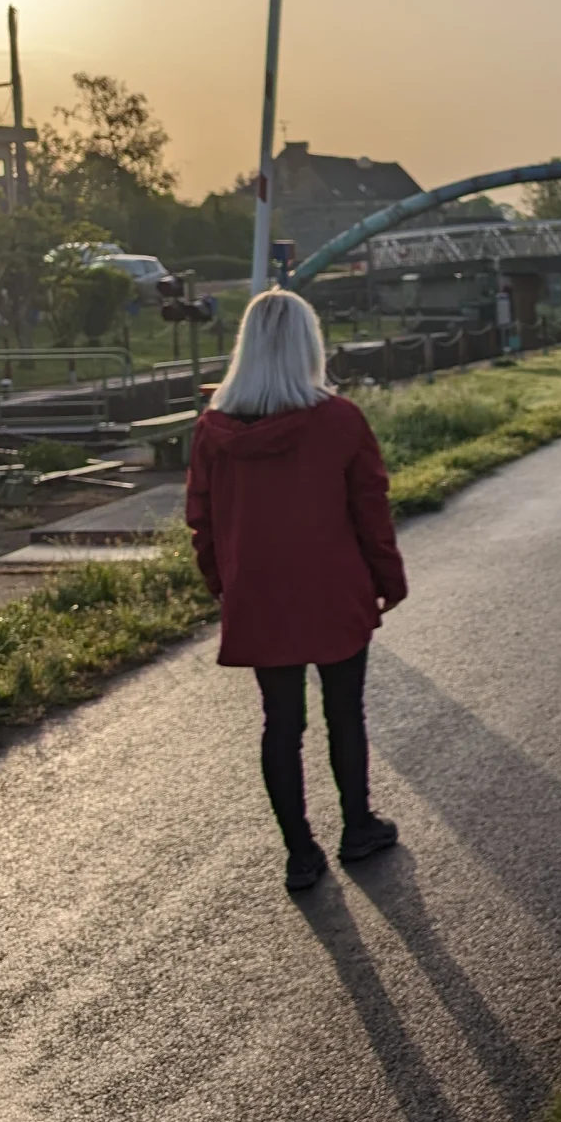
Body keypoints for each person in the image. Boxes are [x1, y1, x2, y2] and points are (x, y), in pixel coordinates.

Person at [185, 287, 407, 892]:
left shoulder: (214, 430)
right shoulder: (338, 420)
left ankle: (300, 853)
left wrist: (224, 584)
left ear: (247, 349)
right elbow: (370, 509)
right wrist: (388, 579)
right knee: (344, 714)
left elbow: (201, 518)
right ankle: (357, 827)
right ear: (310, 345)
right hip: (335, 587)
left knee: (280, 723)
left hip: (258, 592)